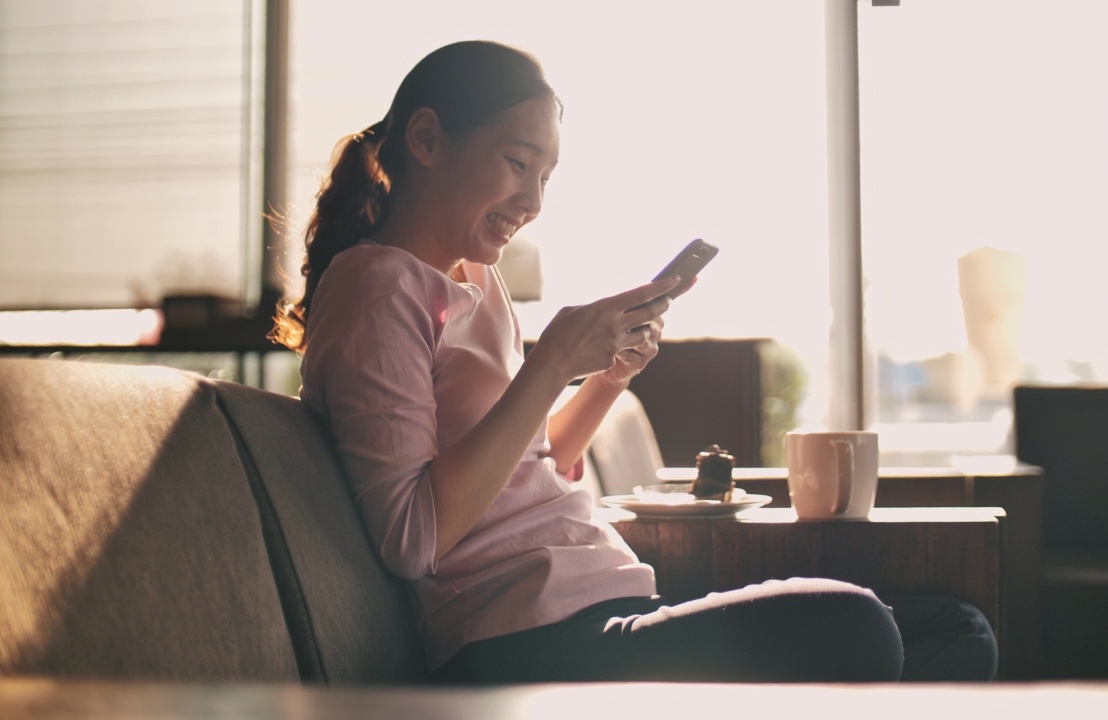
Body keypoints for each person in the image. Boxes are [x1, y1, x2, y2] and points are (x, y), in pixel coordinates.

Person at [273, 39, 997, 684]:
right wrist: (551, 361)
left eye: (547, 177)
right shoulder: (376, 287)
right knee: (861, 629)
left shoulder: (478, 279)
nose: (532, 200)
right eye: (517, 164)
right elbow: (411, 539)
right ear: (428, 138)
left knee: (958, 630)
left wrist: (606, 380)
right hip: (522, 644)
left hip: (607, 603)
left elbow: (534, 462)